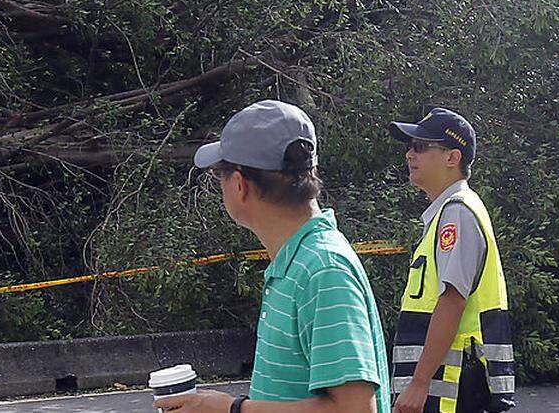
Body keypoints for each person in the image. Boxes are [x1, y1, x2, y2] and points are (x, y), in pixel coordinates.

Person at [159, 100, 389, 413]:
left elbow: (355, 410)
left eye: (220, 177)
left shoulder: (322, 270)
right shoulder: (300, 263)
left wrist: (233, 409)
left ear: (240, 185)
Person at [387, 108, 515, 413]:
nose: (409, 154)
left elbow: (452, 301)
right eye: (410, 146)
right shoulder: (451, 212)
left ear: (452, 158)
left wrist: (419, 383)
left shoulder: (456, 214)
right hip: (451, 388)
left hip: (455, 390)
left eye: (420, 146)